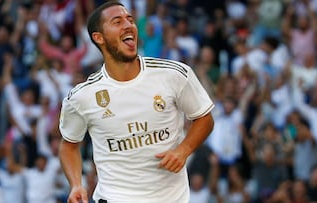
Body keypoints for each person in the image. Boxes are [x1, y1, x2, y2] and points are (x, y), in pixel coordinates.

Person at [58, 1, 215, 203]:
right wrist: (76, 184)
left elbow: (204, 117)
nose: (128, 25)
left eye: (130, 20)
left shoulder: (173, 74)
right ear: (99, 38)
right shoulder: (82, 96)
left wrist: (183, 150)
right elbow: (69, 145)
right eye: (117, 21)